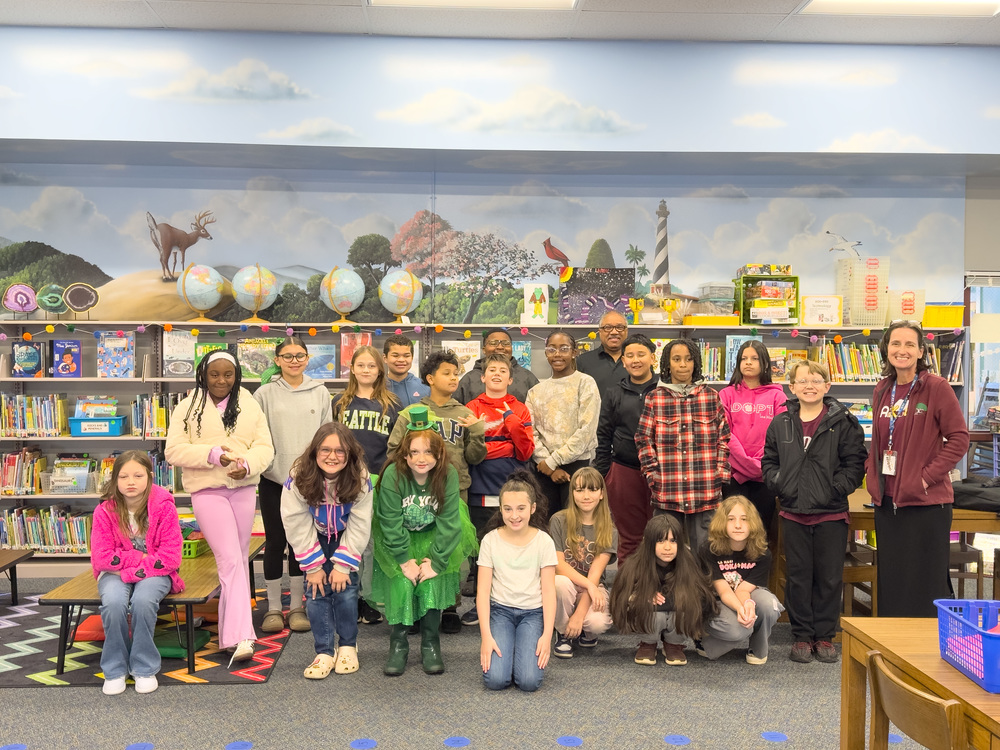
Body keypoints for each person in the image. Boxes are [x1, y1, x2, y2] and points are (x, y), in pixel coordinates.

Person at [165, 349, 274, 665]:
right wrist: (211, 454)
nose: (221, 380)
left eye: (228, 374)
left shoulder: (249, 404)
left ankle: (229, 634)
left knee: (237, 559)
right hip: (207, 491)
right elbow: (173, 450)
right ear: (203, 374)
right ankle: (242, 636)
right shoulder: (187, 406)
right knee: (229, 559)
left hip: (243, 489)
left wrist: (248, 465)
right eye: (215, 374)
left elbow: (265, 447)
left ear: (236, 376)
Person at [761, 360, 866, 663]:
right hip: (793, 512)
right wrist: (780, 484)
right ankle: (802, 635)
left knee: (829, 578)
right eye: (803, 380)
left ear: (827, 386)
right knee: (798, 577)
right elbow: (769, 461)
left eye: (817, 380)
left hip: (831, 513)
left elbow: (855, 463)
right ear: (791, 387)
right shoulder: (780, 423)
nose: (810, 385)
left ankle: (825, 635)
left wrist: (835, 488)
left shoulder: (844, 422)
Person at [865, 320, 969, 618]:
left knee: (925, 584)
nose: (902, 350)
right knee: (893, 581)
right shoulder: (882, 389)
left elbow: (959, 439)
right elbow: (880, 440)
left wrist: (925, 478)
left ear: (921, 351)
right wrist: (872, 471)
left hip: (926, 503)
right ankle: (893, 642)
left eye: (910, 344)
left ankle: (927, 642)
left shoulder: (936, 387)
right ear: (886, 349)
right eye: (896, 343)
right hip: (887, 502)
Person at [371, 407, 478, 675]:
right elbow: (390, 522)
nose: (421, 459)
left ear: (439, 454)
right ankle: (398, 644)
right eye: (415, 452)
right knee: (402, 584)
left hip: (434, 536)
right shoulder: (393, 474)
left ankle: (431, 643)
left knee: (431, 584)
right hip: (399, 538)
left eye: (429, 452)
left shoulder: (448, 473)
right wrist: (404, 560)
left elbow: (449, 522)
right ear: (405, 454)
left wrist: (437, 562)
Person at [387, 349, 487, 633]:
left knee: (452, 549)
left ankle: (450, 606)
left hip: (455, 490)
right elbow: (393, 451)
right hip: (417, 493)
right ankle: (417, 605)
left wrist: (477, 432)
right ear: (430, 378)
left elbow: (475, 457)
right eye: (447, 373)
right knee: (419, 547)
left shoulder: (465, 414)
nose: (454, 378)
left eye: (456, 374)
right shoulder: (411, 413)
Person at [280, 422, 373, 679]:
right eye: (325, 449)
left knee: (346, 591)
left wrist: (342, 565)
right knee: (316, 591)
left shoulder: (360, 477)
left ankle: (348, 646)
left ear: (350, 453)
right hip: (313, 535)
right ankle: (324, 651)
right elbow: (295, 522)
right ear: (315, 451)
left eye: (340, 450)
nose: (332, 456)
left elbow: (360, 523)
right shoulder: (298, 477)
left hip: (346, 535)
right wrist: (313, 566)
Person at [253, 336, 333, 634]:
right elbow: (257, 435)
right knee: (275, 542)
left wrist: (318, 471)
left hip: (309, 480)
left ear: (307, 359)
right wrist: (271, 467)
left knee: (303, 542)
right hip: (274, 479)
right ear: (277, 360)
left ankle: (298, 607)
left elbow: (327, 436)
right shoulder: (264, 393)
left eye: (300, 355)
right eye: (287, 356)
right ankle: (274, 608)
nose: (294, 361)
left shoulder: (320, 392)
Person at [91, 451, 184, 695]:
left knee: (143, 601)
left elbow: (171, 557)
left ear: (150, 477)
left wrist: (131, 571)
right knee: (113, 602)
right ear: (115, 480)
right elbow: (101, 557)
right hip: (114, 572)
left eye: (138, 476)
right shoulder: (104, 511)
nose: (130, 482)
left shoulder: (164, 508)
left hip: (153, 573)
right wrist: (137, 558)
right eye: (123, 477)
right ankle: (115, 669)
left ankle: (144, 667)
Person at [635, 338, 730, 555]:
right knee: (665, 553)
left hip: (705, 489)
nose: (683, 365)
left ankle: (703, 580)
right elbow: (643, 438)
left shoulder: (711, 397)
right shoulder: (655, 398)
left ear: (696, 362)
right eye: (676, 359)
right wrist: (652, 475)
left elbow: (723, 439)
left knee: (706, 553)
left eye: (688, 359)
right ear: (667, 364)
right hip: (668, 489)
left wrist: (720, 474)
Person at [462, 352, 535, 626]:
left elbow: (525, 451)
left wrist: (512, 425)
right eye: (491, 369)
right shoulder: (471, 407)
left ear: (510, 379)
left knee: (513, 549)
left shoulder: (520, 409)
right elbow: (471, 452)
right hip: (480, 489)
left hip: (513, 490)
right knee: (481, 551)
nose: (496, 374)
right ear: (482, 377)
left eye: (502, 370)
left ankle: (510, 603)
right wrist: (506, 447)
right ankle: (480, 603)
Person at [333, 344, 401, 625]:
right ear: (352, 368)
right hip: (345, 481)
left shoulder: (393, 404)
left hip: (377, 480)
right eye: (360, 365)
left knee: (371, 543)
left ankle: (368, 599)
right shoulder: (340, 402)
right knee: (346, 539)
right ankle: (347, 596)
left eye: (371, 366)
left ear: (380, 370)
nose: (366, 370)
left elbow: (397, 447)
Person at [477, 470, 557, 691]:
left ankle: (518, 651)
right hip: (500, 611)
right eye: (508, 509)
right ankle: (509, 652)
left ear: (532, 508)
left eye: (521, 508)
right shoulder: (490, 541)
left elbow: (549, 592)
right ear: (500, 509)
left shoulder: (544, 542)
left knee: (529, 682)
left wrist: (547, 635)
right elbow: (482, 592)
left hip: (532, 613)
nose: (514, 515)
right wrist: (486, 636)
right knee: (495, 680)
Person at [609, 514, 717, 667]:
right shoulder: (634, 564)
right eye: (660, 540)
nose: (667, 547)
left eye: (673, 541)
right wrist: (640, 597)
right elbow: (618, 601)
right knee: (655, 615)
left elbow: (705, 599)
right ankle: (648, 643)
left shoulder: (689, 563)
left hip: (676, 619)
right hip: (649, 619)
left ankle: (674, 644)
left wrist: (676, 600)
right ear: (649, 542)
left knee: (685, 609)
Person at [594, 333, 657, 561]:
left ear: (653, 358)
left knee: (661, 533)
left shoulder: (663, 390)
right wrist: (604, 473)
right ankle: (628, 581)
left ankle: (661, 580)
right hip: (624, 470)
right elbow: (604, 435)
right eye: (629, 355)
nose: (635, 360)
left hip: (661, 471)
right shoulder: (614, 393)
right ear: (623, 361)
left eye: (641, 354)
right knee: (629, 536)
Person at [697, 496, 782, 665]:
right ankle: (705, 641)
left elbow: (743, 589)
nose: (738, 525)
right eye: (731, 519)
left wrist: (748, 606)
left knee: (769, 605)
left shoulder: (763, 553)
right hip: (718, 599)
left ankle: (757, 649)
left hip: (746, 594)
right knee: (738, 631)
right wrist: (741, 610)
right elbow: (724, 591)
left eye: (744, 519)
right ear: (722, 523)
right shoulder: (709, 549)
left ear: (753, 523)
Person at [525, 331, 600, 515]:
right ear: (546, 353)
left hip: (577, 465)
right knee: (545, 521)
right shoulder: (535, 392)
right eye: (552, 349)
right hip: (543, 469)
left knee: (576, 521)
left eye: (564, 349)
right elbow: (530, 432)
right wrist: (549, 467)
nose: (557, 354)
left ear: (574, 352)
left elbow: (587, 430)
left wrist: (554, 461)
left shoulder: (585, 383)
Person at [719, 340, 786, 537]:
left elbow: (780, 435)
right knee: (733, 530)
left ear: (764, 363)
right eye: (744, 358)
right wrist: (746, 462)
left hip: (765, 475)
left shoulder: (778, 397)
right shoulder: (726, 394)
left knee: (760, 531)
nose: (748, 362)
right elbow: (724, 432)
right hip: (734, 475)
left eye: (754, 358)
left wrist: (760, 464)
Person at [550, 467, 617, 659]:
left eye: (592, 490)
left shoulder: (610, 530)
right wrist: (589, 585)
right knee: (559, 583)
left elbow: (594, 577)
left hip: (592, 586)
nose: (586, 496)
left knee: (597, 624)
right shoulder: (558, 520)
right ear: (572, 493)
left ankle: (582, 628)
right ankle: (563, 632)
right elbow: (558, 565)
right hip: (567, 583)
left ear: (601, 494)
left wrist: (580, 615)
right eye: (579, 490)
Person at [455, 328, 539, 405]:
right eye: (493, 343)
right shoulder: (469, 379)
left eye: (505, 343)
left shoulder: (527, 377)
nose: (500, 347)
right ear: (484, 349)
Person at [576, 310, 628, 394]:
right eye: (608, 327)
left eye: (619, 327)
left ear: (626, 331)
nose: (614, 332)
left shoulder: (637, 362)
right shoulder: (583, 361)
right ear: (600, 332)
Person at [383, 334, 430, 407]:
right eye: (395, 355)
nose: (401, 360)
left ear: (412, 358)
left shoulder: (425, 388)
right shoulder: (376, 387)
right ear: (385, 358)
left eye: (406, 356)